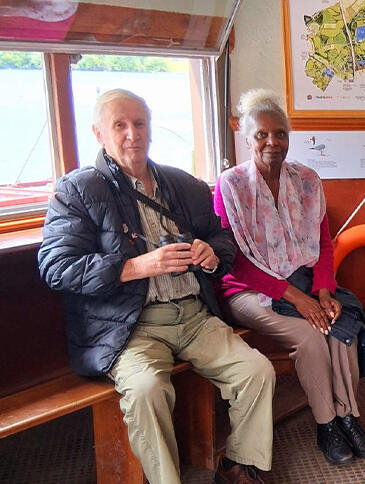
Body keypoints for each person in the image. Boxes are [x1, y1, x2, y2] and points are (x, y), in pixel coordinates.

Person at [37, 89, 274, 484]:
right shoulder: (76, 190)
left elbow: (222, 241)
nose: (133, 133)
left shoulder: (184, 184)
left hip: (195, 317)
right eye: (120, 125)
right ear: (99, 133)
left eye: (140, 123)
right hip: (128, 327)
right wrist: (134, 267)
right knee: (148, 390)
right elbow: (56, 267)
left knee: (258, 372)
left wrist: (211, 255)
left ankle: (238, 467)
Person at [214, 89, 365, 466]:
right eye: (262, 134)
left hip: (306, 283)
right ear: (247, 137)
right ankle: (326, 426)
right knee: (311, 336)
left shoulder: (307, 180)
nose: (272, 142)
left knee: (341, 328)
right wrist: (298, 298)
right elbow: (235, 261)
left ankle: (347, 418)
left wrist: (323, 290)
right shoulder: (231, 186)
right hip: (248, 291)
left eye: (280, 134)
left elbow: (323, 243)